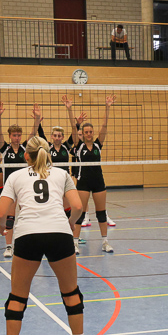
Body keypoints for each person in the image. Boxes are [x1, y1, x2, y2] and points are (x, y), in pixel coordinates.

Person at [0, 135, 92, 335]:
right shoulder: (62, 174)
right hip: (59, 233)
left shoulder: (15, 176)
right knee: (71, 293)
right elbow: (78, 207)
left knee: (17, 297)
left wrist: (2, 226)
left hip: (27, 235)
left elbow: (1, 213)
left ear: (25, 156)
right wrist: (70, 223)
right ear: (48, 154)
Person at [64, 93, 116, 255]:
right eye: (86, 132)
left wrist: (107, 107)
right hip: (84, 182)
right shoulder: (78, 146)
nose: (88, 134)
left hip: (98, 181)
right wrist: (69, 109)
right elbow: (73, 128)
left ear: (93, 133)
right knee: (79, 213)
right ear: (83, 133)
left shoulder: (98, 145)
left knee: (101, 213)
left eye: (90, 131)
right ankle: (75, 243)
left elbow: (104, 126)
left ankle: (105, 242)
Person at [0, 101, 26, 258]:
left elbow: (33, 133)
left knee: (27, 215)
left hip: (25, 186)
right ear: (10, 136)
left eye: (19, 135)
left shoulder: (25, 149)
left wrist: (37, 119)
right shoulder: (5, 148)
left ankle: (27, 243)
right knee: (10, 217)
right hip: (11, 187)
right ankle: (9, 246)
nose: (17, 137)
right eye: (14, 135)